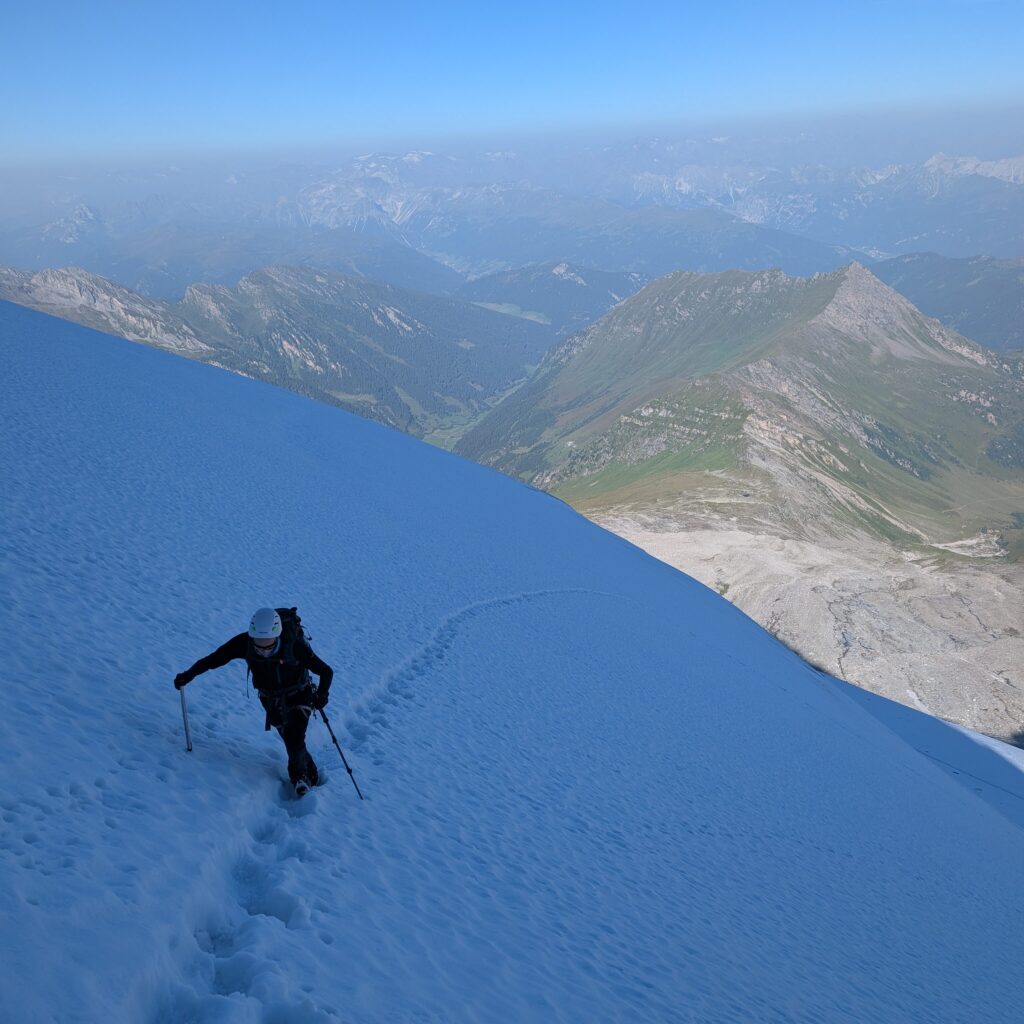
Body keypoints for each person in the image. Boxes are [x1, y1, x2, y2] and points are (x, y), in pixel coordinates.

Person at [174, 608, 334, 795]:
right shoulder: (245, 643)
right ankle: (310, 772)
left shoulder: (295, 645)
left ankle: (300, 779)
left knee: (294, 736)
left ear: (278, 634)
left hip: (300, 694)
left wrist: (322, 695)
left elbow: (326, 671)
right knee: (290, 738)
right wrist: (188, 675)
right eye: (258, 645)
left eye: (268, 645)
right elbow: (214, 659)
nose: (263, 650)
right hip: (270, 699)